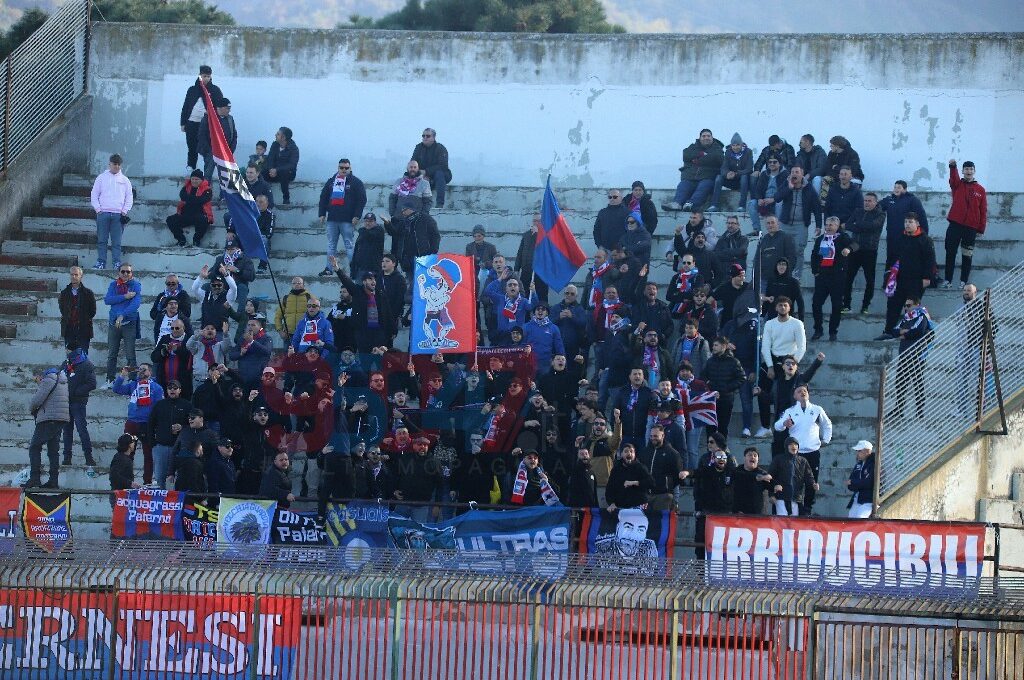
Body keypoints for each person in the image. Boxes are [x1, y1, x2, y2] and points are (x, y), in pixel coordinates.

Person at [773, 385, 831, 514]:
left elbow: (827, 424)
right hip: (796, 453)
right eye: (799, 391)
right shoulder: (790, 411)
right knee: (795, 480)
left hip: (813, 451)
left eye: (805, 391)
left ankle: (808, 508)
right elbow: (777, 426)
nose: (802, 393)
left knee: (812, 481)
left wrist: (826, 440)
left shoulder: (817, 409)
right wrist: (784, 424)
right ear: (795, 396)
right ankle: (796, 506)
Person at [877, 213, 936, 340]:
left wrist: (927, 278)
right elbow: (891, 257)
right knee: (893, 306)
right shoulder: (899, 238)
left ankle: (909, 334)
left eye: (910, 222)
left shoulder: (925, 240)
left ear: (917, 224)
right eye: (906, 222)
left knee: (911, 307)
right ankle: (889, 332)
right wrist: (888, 276)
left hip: (916, 280)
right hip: (898, 280)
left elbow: (930, 261)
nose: (907, 224)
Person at [679, 447, 736, 559]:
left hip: (725, 513)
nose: (722, 459)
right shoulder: (707, 470)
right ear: (713, 459)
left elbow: (747, 474)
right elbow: (695, 472)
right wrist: (686, 472)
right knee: (701, 539)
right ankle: (700, 566)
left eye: (724, 457)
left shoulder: (732, 472)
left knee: (724, 542)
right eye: (719, 457)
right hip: (707, 513)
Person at [112, 363, 164, 486]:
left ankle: (147, 482)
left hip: (147, 423)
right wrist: (122, 375)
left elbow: (159, 408)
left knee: (148, 454)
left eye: (144, 369)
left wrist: (155, 424)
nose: (140, 371)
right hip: (132, 422)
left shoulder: (156, 388)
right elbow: (116, 389)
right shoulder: (133, 385)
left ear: (150, 372)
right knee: (127, 452)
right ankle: (127, 480)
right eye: (139, 369)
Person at [942, 159, 988, 289]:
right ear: (963, 171)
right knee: (950, 253)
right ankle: (948, 280)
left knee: (967, 255)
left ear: (974, 171)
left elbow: (983, 210)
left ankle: (963, 282)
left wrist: (981, 228)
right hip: (955, 225)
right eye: (966, 169)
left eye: (971, 169)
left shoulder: (981, 190)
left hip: (971, 228)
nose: (969, 171)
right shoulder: (957, 184)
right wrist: (953, 167)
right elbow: (953, 178)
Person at [318, 158, 367, 276]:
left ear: (350, 168)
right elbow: (323, 197)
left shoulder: (356, 182)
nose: (344, 170)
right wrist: (322, 213)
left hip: (347, 220)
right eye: (342, 168)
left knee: (349, 245)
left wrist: (357, 215)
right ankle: (329, 269)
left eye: (346, 168)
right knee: (331, 245)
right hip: (332, 219)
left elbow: (362, 200)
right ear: (338, 168)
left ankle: (354, 271)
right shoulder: (331, 181)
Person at [810, 216, 856, 341]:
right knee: (816, 304)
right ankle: (818, 330)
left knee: (836, 305)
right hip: (822, 277)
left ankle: (832, 331)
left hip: (837, 277)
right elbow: (814, 255)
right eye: (827, 225)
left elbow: (855, 244)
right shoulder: (821, 239)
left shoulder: (843, 237)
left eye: (831, 225)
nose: (828, 227)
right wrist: (815, 271)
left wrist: (848, 249)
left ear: (837, 226)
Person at [776, 166, 822, 280]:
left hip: (801, 225)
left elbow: (817, 207)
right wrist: (789, 188)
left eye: (797, 172)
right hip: (785, 224)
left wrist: (818, 225)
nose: (794, 174)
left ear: (802, 175)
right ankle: (782, 275)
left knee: (798, 251)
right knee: (782, 251)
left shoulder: (809, 188)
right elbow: (777, 197)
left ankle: (796, 276)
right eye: (792, 172)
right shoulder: (786, 184)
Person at [842, 192, 886, 314]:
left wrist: (857, 225)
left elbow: (873, 226)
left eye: (869, 201)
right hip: (854, 248)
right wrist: (860, 226)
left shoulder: (881, 214)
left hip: (870, 250)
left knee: (870, 280)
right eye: (865, 200)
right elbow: (847, 225)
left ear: (875, 202)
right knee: (848, 277)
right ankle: (846, 305)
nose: (866, 203)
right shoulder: (857, 211)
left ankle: (865, 306)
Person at [26, 368, 70, 488]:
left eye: (36, 379)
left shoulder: (47, 380)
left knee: (34, 447)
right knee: (53, 450)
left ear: (40, 376)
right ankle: (53, 480)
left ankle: (35, 478)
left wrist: (31, 409)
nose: (37, 382)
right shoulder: (62, 380)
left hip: (48, 419)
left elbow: (36, 400)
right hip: (60, 419)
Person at [663, 129, 724, 212]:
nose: (706, 138)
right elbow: (686, 155)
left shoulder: (717, 149)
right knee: (683, 186)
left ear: (712, 138)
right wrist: (702, 154)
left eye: (708, 136)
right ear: (700, 138)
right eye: (704, 136)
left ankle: (691, 204)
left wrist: (697, 160)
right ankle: (677, 203)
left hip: (707, 177)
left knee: (703, 188)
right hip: (690, 177)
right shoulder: (693, 147)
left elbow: (717, 158)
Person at [91, 153, 133, 270]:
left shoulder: (125, 180)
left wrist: (124, 211)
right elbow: (94, 194)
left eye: (119, 165)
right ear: (109, 164)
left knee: (116, 242)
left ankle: (116, 262)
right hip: (103, 213)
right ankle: (101, 262)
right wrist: (98, 209)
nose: (117, 167)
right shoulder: (101, 178)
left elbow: (129, 197)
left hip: (118, 215)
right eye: (115, 164)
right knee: (102, 240)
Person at [102, 263, 142, 387]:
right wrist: (125, 296)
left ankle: (132, 380)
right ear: (119, 273)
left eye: (128, 272)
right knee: (112, 354)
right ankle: (110, 380)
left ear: (132, 274)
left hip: (129, 323)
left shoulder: (135, 285)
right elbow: (108, 300)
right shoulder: (113, 285)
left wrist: (122, 315)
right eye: (123, 271)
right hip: (113, 323)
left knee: (130, 354)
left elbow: (135, 304)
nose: (125, 274)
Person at [146, 379, 190, 489]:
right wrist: (153, 444)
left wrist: (182, 427)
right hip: (161, 446)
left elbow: (193, 424)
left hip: (180, 448)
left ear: (180, 390)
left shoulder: (187, 405)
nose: (172, 390)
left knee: (181, 477)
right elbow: (150, 424)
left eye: (175, 388)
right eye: (170, 388)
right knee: (160, 477)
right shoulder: (160, 405)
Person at [179, 65, 223, 173]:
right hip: (191, 123)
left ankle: (206, 174)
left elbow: (219, 107)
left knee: (205, 149)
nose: (206, 78)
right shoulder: (192, 90)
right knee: (191, 147)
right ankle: (190, 169)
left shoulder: (215, 90)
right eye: (204, 76)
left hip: (206, 124)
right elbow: (186, 106)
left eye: (208, 76)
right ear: (200, 76)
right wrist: (183, 122)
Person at [700, 336, 745, 439]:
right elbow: (703, 376)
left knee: (723, 427)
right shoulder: (710, 361)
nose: (713, 347)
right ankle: (710, 452)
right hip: (711, 399)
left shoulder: (733, 362)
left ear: (724, 346)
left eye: (716, 345)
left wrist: (727, 388)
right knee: (710, 427)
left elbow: (742, 378)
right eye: (713, 345)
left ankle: (722, 451)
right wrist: (708, 385)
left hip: (726, 399)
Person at [879, 180, 930, 270]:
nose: (896, 189)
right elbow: (877, 207)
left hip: (907, 237)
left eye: (899, 187)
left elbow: (922, 217)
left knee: (905, 261)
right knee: (891, 262)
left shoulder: (912, 200)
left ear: (905, 189)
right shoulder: (889, 200)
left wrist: (924, 234)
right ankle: (889, 282)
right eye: (895, 187)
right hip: (892, 237)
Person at [62, 348, 97, 471]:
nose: (66, 351)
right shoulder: (66, 363)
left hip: (78, 402)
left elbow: (92, 383)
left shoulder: (87, 364)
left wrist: (77, 392)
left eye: (68, 349)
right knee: (66, 431)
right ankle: (67, 457)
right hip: (66, 402)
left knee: (82, 429)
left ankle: (88, 456)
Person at [766, 437, 817, 516]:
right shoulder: (778, 459)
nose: (794, 446)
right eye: (791, 444)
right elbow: (770, 477)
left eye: (796, 444)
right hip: (781, 499)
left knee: (793, 524)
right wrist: (771, 494)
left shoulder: (803, 461)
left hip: (796, 499)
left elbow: (809, 476)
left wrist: (813, 484)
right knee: (781, 524)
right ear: (786, 446)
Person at [638, 425, 683, 511]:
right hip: (645, 496)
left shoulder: (672, 454)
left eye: (655, 436)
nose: (653, 438)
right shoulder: (644, 452)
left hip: (663, 496)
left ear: (663, 436)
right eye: (651, 436)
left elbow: (678, 476)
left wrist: (666, 486)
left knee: (661, 523)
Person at [166, 170, 214, 247]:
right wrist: (196, 199)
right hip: (185, 214)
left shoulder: (207, 189)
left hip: (200, 215)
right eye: (193, 179)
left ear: (201, 180)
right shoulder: (186, 187)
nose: (194, 181)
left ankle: (196, 240)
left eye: (197, 179)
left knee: (204, 221)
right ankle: (181, 239)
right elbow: (182, 196)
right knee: (170, 220)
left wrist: (189, 199)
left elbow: (204, 199)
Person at [751, 216, 797, 296]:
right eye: (768, 223)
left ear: (778, 224)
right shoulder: (764, 239)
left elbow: (792, 259)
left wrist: (785, 276)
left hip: (780, 280)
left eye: (772, 222)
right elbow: (757, 259)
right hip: (764, 280)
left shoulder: (786, 237)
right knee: (763, 306)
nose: (770, 225)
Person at [605, 443, 656, 511]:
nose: (629, 454)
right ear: (621, 454)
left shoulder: (640, 467)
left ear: (634, 454)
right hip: (621, 507)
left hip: (638, 507)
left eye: (631, 451)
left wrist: (635, 483)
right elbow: (609, 489)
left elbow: (651, 483)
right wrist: (611, 503)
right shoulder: (616, 469)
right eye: (626, 451)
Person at [197, 97, 237, 183]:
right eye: (227, 108)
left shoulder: (230, 119)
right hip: (211, 152)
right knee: (208, 174)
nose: (229, 111)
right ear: (219, 108)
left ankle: (223, 196)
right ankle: (206, 193)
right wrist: (209, 150)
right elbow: (202, 136)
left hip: (225, 152)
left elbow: (234, 135)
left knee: (225, 176)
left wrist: (230, 150)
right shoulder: (208, 118)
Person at [710, 133, 753, 211]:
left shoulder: (748, 152)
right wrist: (727, 174)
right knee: (719, 177)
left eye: (737, 145)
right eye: (733, 145)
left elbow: (749, 169)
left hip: (743, 182)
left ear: (741, 144)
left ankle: (742, 206)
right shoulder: (728, 152)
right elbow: (724, 167)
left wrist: (736, 173)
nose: (735, 147)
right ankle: (714, 205)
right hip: (731, 180)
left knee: (744, 177)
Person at [58, 266, 97, 352]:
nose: (74, 277)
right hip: (69, 329)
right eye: (72, 274)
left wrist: (83, 319)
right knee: (70, 356)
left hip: (83, 329)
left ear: (81, 276)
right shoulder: (64, 293)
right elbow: (62, 309)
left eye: (76, 275)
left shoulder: (88, 293)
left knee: (83, 355)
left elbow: (92, 311)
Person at [412, 128, 451, 208]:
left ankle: (439, 204)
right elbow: (413, 163)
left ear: (433, 138)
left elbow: (442, 166)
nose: (425, 138)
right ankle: (411, 204)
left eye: (428, 136)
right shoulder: (418, 148)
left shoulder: (440, 148)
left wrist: (426, 172)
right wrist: (420, 174)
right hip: (423, 175)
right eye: (423, 136)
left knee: (439, 174)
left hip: (441, 175)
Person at [747, 156, 787, 235]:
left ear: (779, 164)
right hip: (765, 201)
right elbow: (758, 189)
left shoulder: (785, 174)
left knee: (779, 204)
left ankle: (778, 229)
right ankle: (757, 230)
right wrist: (759, 199)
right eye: (770, 162)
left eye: (774, 162)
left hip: (778, 200)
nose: (772, 164)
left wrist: (774, 199)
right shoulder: (764, 174)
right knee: (752, 203)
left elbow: (785, 191)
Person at [262, 127, 299, 204]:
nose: (275, 135)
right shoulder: (275, 145)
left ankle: (286, 198)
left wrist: (277, 170)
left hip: (288, 173)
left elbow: (292, 165)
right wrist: (271, 169)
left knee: (284, 173)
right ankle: (263, 198)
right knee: (262, 173)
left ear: (284, 137)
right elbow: (270, 159)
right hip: (273, 172)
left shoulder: (293, 148)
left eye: (278, 134)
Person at [516, 215, 548, 303]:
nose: (536, 223)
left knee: (541, 296)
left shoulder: (546, 235)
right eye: (534, 221)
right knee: (524, 296)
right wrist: (516, 269)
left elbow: (546, 250)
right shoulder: (526, 235)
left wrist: (538, 234)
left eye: (539, 221)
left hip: (540, 273)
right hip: (526, 271)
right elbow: (520, 252)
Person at [732, 447, 772, 515]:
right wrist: (758, 477)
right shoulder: (736, 471)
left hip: (756, 514)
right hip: (738, 512)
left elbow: (771, 484)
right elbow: (744, 476)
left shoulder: (762, 473)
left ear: (758, 459)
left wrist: (776, 486)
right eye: (749, 455)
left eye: (755, 455)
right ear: (744, 458)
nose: (752, 457)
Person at [275, 277, 312, 344]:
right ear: (291, 285)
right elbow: (278, 317)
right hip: (288, 335)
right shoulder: (285, 298)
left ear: (303, 285)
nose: (296, 284)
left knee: (303, 354)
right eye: (294, 283)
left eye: (299, 283)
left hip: (305, 333)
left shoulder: (310, 297)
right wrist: (280, 331)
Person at [847, 440, 875, 518]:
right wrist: (855, 483)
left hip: (868, 501)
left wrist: (853, 482)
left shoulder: (874, 464)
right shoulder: (858, 464)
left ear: (867, 451)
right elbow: (849, 485)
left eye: (859, 451)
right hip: (857, 499)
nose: (857, 453)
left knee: (860, 519)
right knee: (850, 520)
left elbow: (868, 483)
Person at [109, 433, 140, 498]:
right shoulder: (120, 458)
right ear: (129, 445)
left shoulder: (126, 457)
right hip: (119, 496)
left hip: (124, 494)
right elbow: (113, 476)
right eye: (132, 442)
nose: (134, 444)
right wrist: (130, 483)